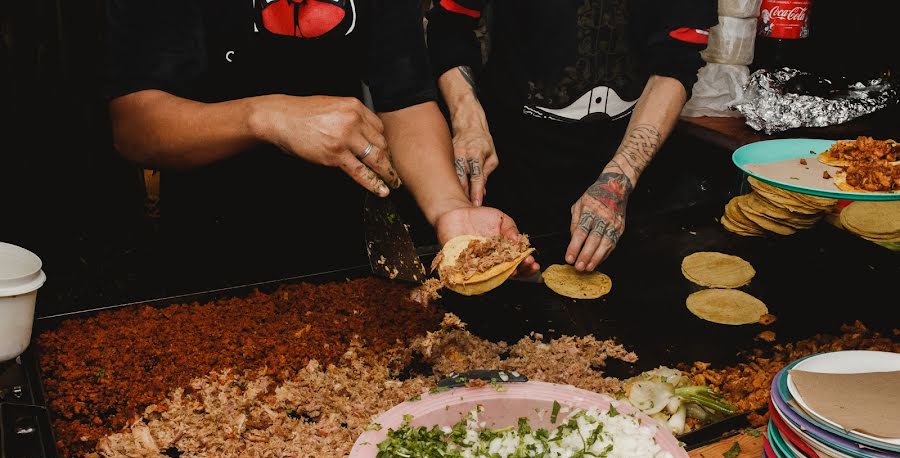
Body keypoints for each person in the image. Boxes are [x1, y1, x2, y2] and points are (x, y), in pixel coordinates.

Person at [105, 0, 538, 279]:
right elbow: (134, 127)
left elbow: (404, 100)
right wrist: (267, 115)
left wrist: (449, 208)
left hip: (340, 250)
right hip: (209, 257)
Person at [427, 0, 715, 272]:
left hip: (629, 162)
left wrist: (620, 178)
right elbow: (451, 25)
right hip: (513, 157)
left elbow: (676, 63)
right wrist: (468, 122)